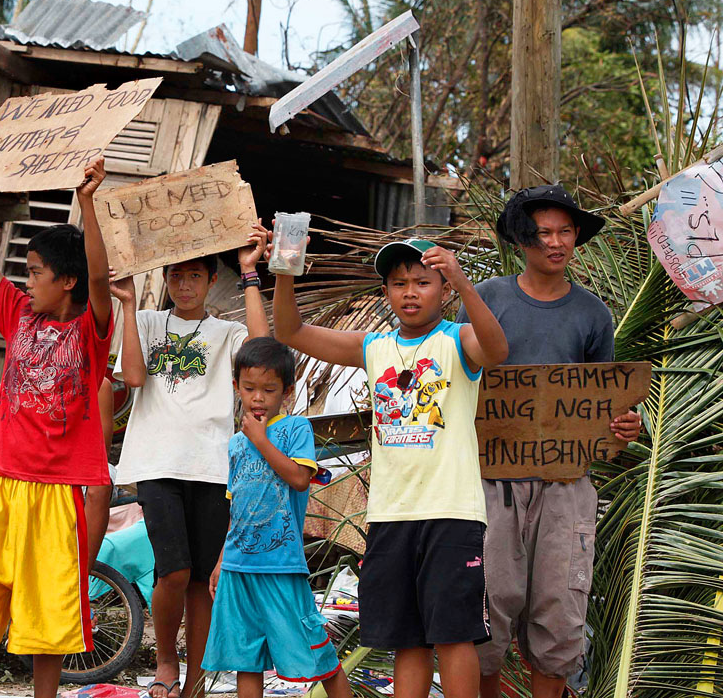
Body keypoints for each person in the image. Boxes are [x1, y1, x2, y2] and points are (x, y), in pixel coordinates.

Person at [273, 238, 509, 698]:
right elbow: (289, 331)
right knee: (407, 638)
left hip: (451, 512)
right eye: (399, 284)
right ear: (386, 293)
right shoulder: (373, 346)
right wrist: (284, 268)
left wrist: (465, 281)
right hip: (388, 514)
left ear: (443, 289)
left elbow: (497, 349)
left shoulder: (456, 340)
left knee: (454, 634)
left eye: (423, 282)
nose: (410, 292)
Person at [0, 146, 114, 698]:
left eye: (36, 272)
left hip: (57, 490)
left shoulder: (91, 330)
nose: (26, 280)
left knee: (48, 610)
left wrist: (88, 206)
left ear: (66, 281)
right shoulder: (17, 313)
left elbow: (101, 276)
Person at [459, 186, 641, 698]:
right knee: (485, 616)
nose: (555, 243)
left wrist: (626, 427)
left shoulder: (593, 315)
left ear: (577, 236)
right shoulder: (488, 298)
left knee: (560, 617)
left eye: (565, 231)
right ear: (522, 240)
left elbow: (602, 405)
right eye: (542, 233)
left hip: (566, 486)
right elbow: (453, 377)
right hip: (489, 485)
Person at [110, 234, 269, 698]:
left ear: (211, 280)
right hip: (156, 462)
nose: (184, 284)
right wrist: (126, 303)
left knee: (201, 580)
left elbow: (262, 352)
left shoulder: (227, 333)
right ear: (165, 277)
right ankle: (165, 663)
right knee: (173, 571)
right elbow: (133, 377)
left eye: (194, 275)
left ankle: (196, 680)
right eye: (176, 275)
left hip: (214, 466)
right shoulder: (145, 321)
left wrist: (251, 272)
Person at [203, 337, 353, 698]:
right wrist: (221, 561)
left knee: (316, 651)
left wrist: (261, 440)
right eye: (249, 388)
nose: (257, 398)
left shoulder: (295, 429)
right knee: (246, 658)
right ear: (236, 386)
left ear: (286, 391)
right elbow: (235, 505)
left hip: (280, 565)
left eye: (269, 390)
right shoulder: (236, 443)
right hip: (239, 566)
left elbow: (301, 479)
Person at [0, 377, 116, 562]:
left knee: (101, 484)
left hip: (61, 482)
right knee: (100, 484)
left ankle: (80, 570)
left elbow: (98, 459)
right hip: (26, 479)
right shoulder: (24, 375)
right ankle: (80, 573)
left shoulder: (97, 385)